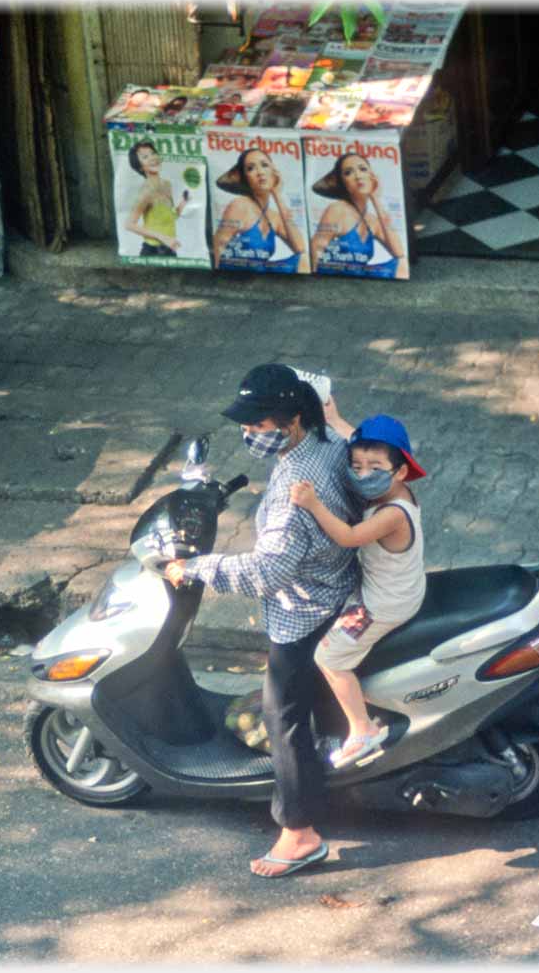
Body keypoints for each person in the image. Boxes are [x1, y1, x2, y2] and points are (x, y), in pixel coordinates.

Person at [165, 364, 363, 879]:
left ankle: (300, 833)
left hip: (306, 610)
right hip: (339, 585)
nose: (251, 433)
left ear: (295, 418)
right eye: (247, 424)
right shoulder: (325, 444)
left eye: (260, 423)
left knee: (283, 714)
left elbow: (268, 572)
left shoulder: (297, 486)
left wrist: (196, 568)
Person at [290, 407, 427, 769]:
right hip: (400, 588)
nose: (363, 474)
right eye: (357, 466)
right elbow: (363, 446)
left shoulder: (392, 514)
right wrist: (333, 417)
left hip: (383, 604)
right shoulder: (399, 489)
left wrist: (312, 503)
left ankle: (362, 728)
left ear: (400, 470)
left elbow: (349, 537)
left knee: (328, 657)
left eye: (375, 469)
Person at [309, 153, 408, 280]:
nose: (358, 176)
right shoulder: (338, 209)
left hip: (358, 275)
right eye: (348, 172)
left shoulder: (372, 220)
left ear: (371, 176)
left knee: (402, 264)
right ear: (343, 182)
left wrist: (375, 199)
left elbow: (399, 253)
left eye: (363, 169)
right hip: (334, 274)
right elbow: (317, 246)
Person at [212, 149, 308, 273]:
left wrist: (277, 195)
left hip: (260, 272)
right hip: (235, 273)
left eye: (264, 165)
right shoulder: (240, 205)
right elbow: (219, 244)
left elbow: (300, 249)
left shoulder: (273, 216)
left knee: (303, 260)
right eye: (251, 168)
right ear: (245, 178)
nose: (260, 172)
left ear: (273, 172)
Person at [124, 140, 189, 257]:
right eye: (145, 157)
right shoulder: (146, 192)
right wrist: (163, 237)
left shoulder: (167, 184)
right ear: (140, 168)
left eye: (153, 153)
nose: (152, 158)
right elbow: (129, 224)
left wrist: (183, 203)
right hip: (153, 251)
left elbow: (171, 217)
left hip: (170, 247)